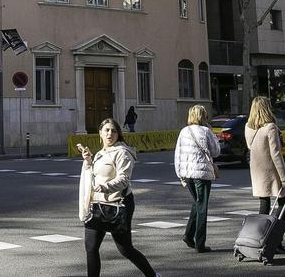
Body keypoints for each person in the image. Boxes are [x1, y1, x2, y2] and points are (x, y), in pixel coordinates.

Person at [76, 118, 159, 277]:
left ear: (118, 134)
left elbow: (123, 179)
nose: (110, 134)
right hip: (98, 204)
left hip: (118, 204)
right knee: (91, 247)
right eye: (106, 130)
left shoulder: (123, 153)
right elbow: (93, 175)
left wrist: (105, 187)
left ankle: (153, 275)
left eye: (113, 131)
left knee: (125, 249)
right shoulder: (101, 153)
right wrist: (88, 161)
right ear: (100, 133)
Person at [245, 97, 285, 253]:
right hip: (272, 172)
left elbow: (251, 146)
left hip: (257, 172)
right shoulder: (271, 127)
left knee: (264, 206)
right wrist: (284, 178)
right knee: (283, 205)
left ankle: (259, 238)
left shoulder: (248, 127)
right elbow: (276, 154)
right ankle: (275, 239)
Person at [174, 104, 220, 253]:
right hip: (202, 175)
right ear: (203, 116)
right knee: (202, 207)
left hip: (188, 175)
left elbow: (178, 154)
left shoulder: (184, 131)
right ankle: (200, 243)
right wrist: (214, 136)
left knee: (197, 203)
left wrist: (180, 174)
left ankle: (188, 235)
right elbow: (216, 152)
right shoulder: (206, 131)